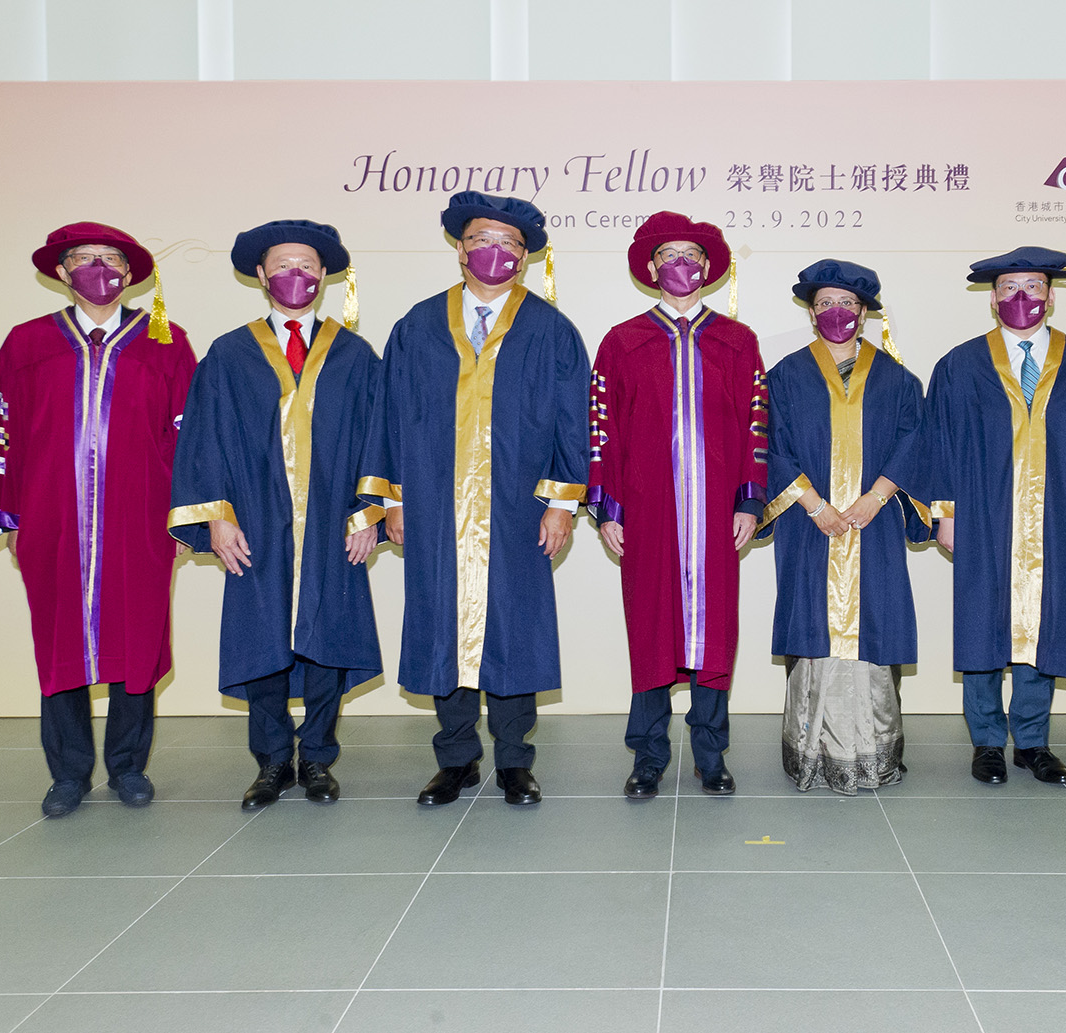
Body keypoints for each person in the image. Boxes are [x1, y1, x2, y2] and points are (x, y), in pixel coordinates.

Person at [366, 191, 589, 808]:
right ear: (460, 248)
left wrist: (561, 503)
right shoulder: (417, 325)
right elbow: (391, 418)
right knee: (443, 626)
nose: (496, 252)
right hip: (436, 508)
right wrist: (394, 500)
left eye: (510, 244)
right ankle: (457, 758)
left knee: (514, 631)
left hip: (517, 508)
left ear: (526, 257)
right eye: (482, 240)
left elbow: (573, 424)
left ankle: (516, 761)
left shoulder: (551, 329)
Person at [0, 222, 196, 817]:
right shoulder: (26, 343)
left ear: (129, 272)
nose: (99, 267)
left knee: (138, 636)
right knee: (59, 639)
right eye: (84, 258)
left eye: (111, 258)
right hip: (51, 518)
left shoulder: (166, 342)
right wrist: (2, 512)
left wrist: (185, 519)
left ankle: (127, 767)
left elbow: (190, 441)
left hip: (140, 518)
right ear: (62, 272)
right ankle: (67, 773)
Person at [169, 220, 384, 810]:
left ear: (325, 276)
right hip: (256, 522)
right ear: (261, 276)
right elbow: (204, 440)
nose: (297, 275)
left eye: (308, 265)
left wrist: (367, 511)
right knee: (261, 638)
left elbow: (378, 437)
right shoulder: (229, 354)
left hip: (329, 522)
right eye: (284, 265)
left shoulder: (354, 353)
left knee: (325, 639)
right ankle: (270, 763)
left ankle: (316, 757)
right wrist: (215, 515)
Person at [927, 248, 1066, 786]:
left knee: (1046, 621)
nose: (1021, 298)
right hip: (984, 517)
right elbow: (938, 445)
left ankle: (1031, 740)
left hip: (1063, 515)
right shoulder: (960, 365)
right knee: (984, 624)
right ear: (992, 300)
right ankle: (986, 741)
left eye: (1033, 287)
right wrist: (946, 513)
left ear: (1053, 297)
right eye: (1009, 288)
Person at [589, 211, 768, 798]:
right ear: (652, 267)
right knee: (650, 627)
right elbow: (602, 429)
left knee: (715, 631)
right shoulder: (622, 341)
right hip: (649, 510)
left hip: (716, 511)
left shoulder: (737, 341)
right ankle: (648, 754)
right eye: (669, 254)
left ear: (709, 266)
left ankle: (710, 752)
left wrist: (748, 500)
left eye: (692, 253)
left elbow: (755, 427)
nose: (681, 264)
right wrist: (608, 507)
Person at [759, 259, 929, 794]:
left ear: (865, 312)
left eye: (849, 304)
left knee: (872, 624)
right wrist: (814, 505)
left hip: (872, 526)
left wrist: (877, 499)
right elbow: (771, 446)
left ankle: (870, 752)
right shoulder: (784, 376)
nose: (838, 312)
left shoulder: (899, 379)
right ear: (812, 312)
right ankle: (811, 752)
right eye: (827, 302)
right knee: (813, 624)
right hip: (808, 526)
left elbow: (914, 443)